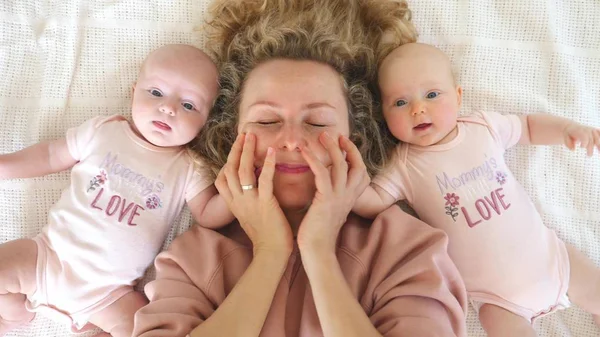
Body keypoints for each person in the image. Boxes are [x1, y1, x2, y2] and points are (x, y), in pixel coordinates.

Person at [132, 1, 468, 337]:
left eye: (317, 121)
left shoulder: (405, 249)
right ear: (228, 134)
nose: (291, 140)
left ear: (358, 135)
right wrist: (269, 254)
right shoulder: (194, 258)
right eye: (267, 120)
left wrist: (320, 252)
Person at [353, 42, 600, 336]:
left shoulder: (483, 127)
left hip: (553, 260)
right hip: (498, 300)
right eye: (400, 103)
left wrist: (565, 130)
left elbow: (529, 127)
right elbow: (372, 202)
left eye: (432, 95)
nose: (418, 109)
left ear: (458, 97)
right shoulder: (403, 166)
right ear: (383, 113)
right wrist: (348, 182)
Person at [0, 44, 233, 337]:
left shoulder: (188, 167)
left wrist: (236, 191)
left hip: (111, 294)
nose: (169, 108)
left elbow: (209, 214)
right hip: (47, 257)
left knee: (142, 326)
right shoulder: (104, 131)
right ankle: (11, 316)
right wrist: (4, 166)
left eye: (188, 105)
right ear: (133, 92)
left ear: (204, 123)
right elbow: (49, 156)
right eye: (156, 93)